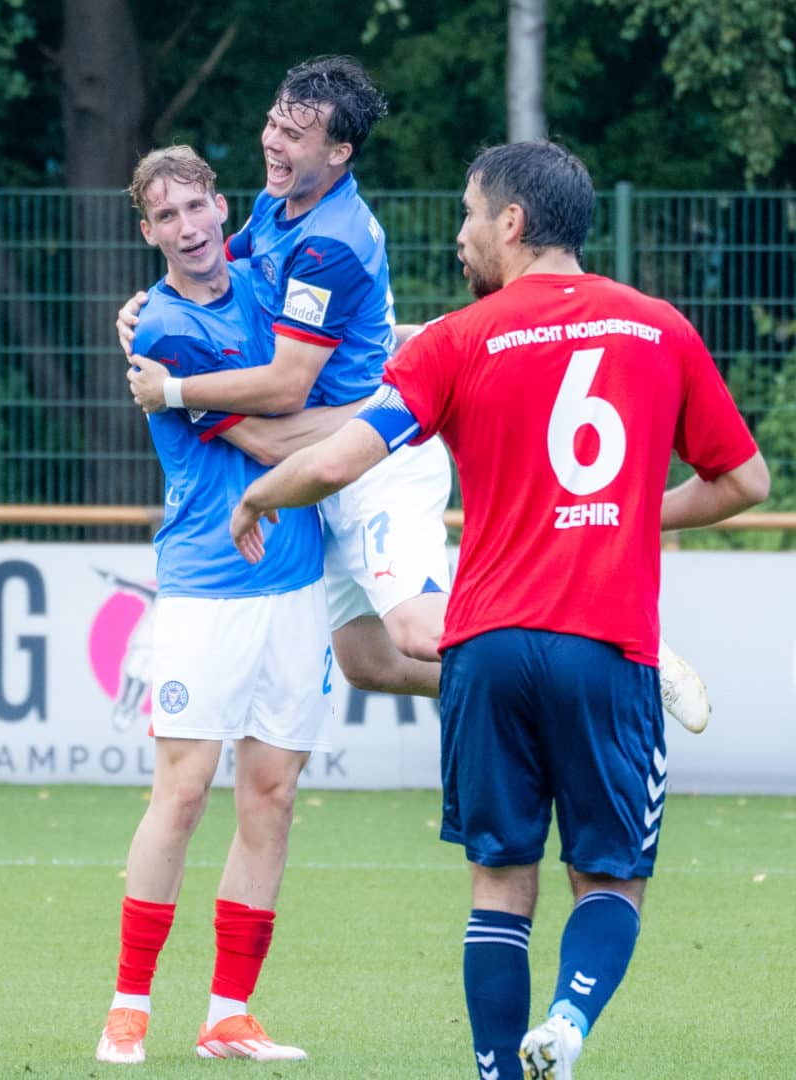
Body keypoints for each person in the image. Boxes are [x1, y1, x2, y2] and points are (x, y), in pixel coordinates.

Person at [228, 141, 770, 1078]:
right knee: (610, 878)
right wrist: (636, 513)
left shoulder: (457, 338)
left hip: (481, 646)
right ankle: (567, 1020)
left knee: (499, 884)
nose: (461, 233)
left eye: (472, 214)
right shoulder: (659, 328)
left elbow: (342, 458)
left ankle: (494, 1072)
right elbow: (744, 481)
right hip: (605, 642)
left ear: (512, 224)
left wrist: (258, 496)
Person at [116, 55, 711, 736]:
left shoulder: (331, 242)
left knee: (416, 630)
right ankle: (555, 690)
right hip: (331, 452)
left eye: (294, 134)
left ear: (339, 152)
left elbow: (284, 389)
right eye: (273, 122)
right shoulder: (276, 205)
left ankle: (609, 657)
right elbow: (227, 268)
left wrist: (176, 388)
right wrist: (150, 309)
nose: (273, 142)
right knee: (368, 659)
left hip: (376, 452)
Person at [95, 145, 350, 1066]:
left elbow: (319, 353)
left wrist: (374, 398)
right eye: (167, 218)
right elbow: (272, 435)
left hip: (296, 584)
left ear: (220, 204)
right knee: (185, 791)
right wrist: (381, 418)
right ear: (147, 232)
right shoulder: (158, 328)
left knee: (272, 796)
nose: (190, 228)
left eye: (198, 207)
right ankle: (130, 1004)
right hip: (208, 585)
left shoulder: (264, 274)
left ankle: (229, 1013)